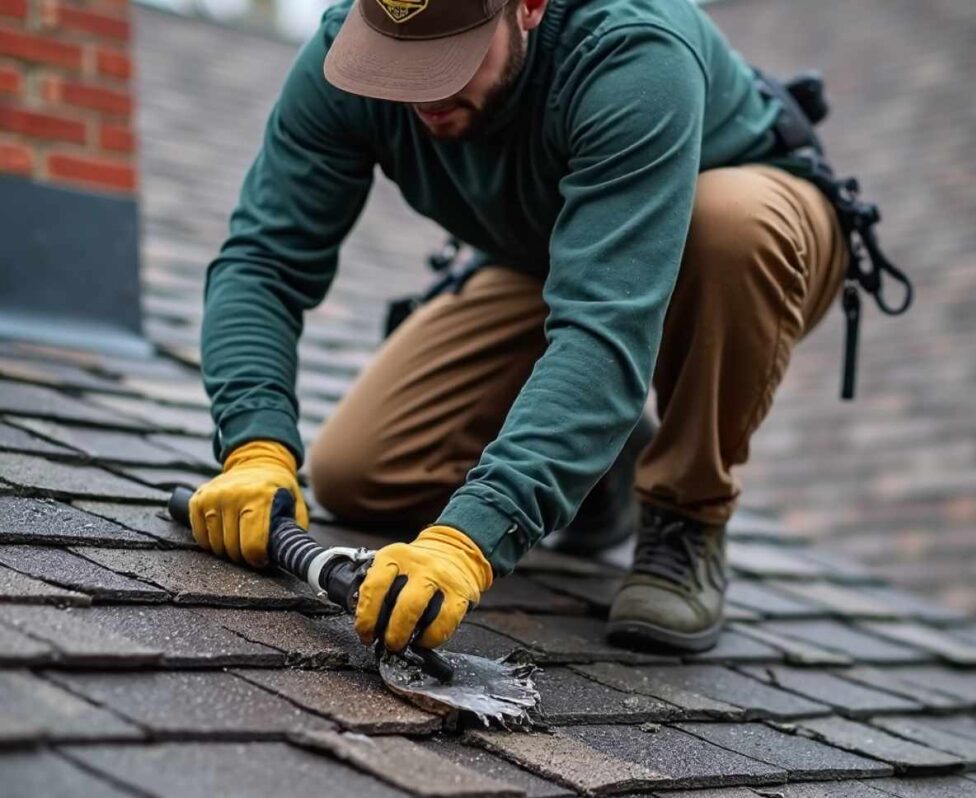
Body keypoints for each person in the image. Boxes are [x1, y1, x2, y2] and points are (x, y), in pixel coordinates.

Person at [189, 0, 850, 655]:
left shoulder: (631, 51)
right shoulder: (345, 57)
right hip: (551, 255)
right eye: (397, 60)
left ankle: (688, 513)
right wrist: (255, 443)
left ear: (528, 7)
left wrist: (469, 541)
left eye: (447, 60)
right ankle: (602, 466)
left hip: (742, 243)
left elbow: (603, 328)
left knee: (728, 225)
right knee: (361, 474)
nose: (420, 96)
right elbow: (263, 260)